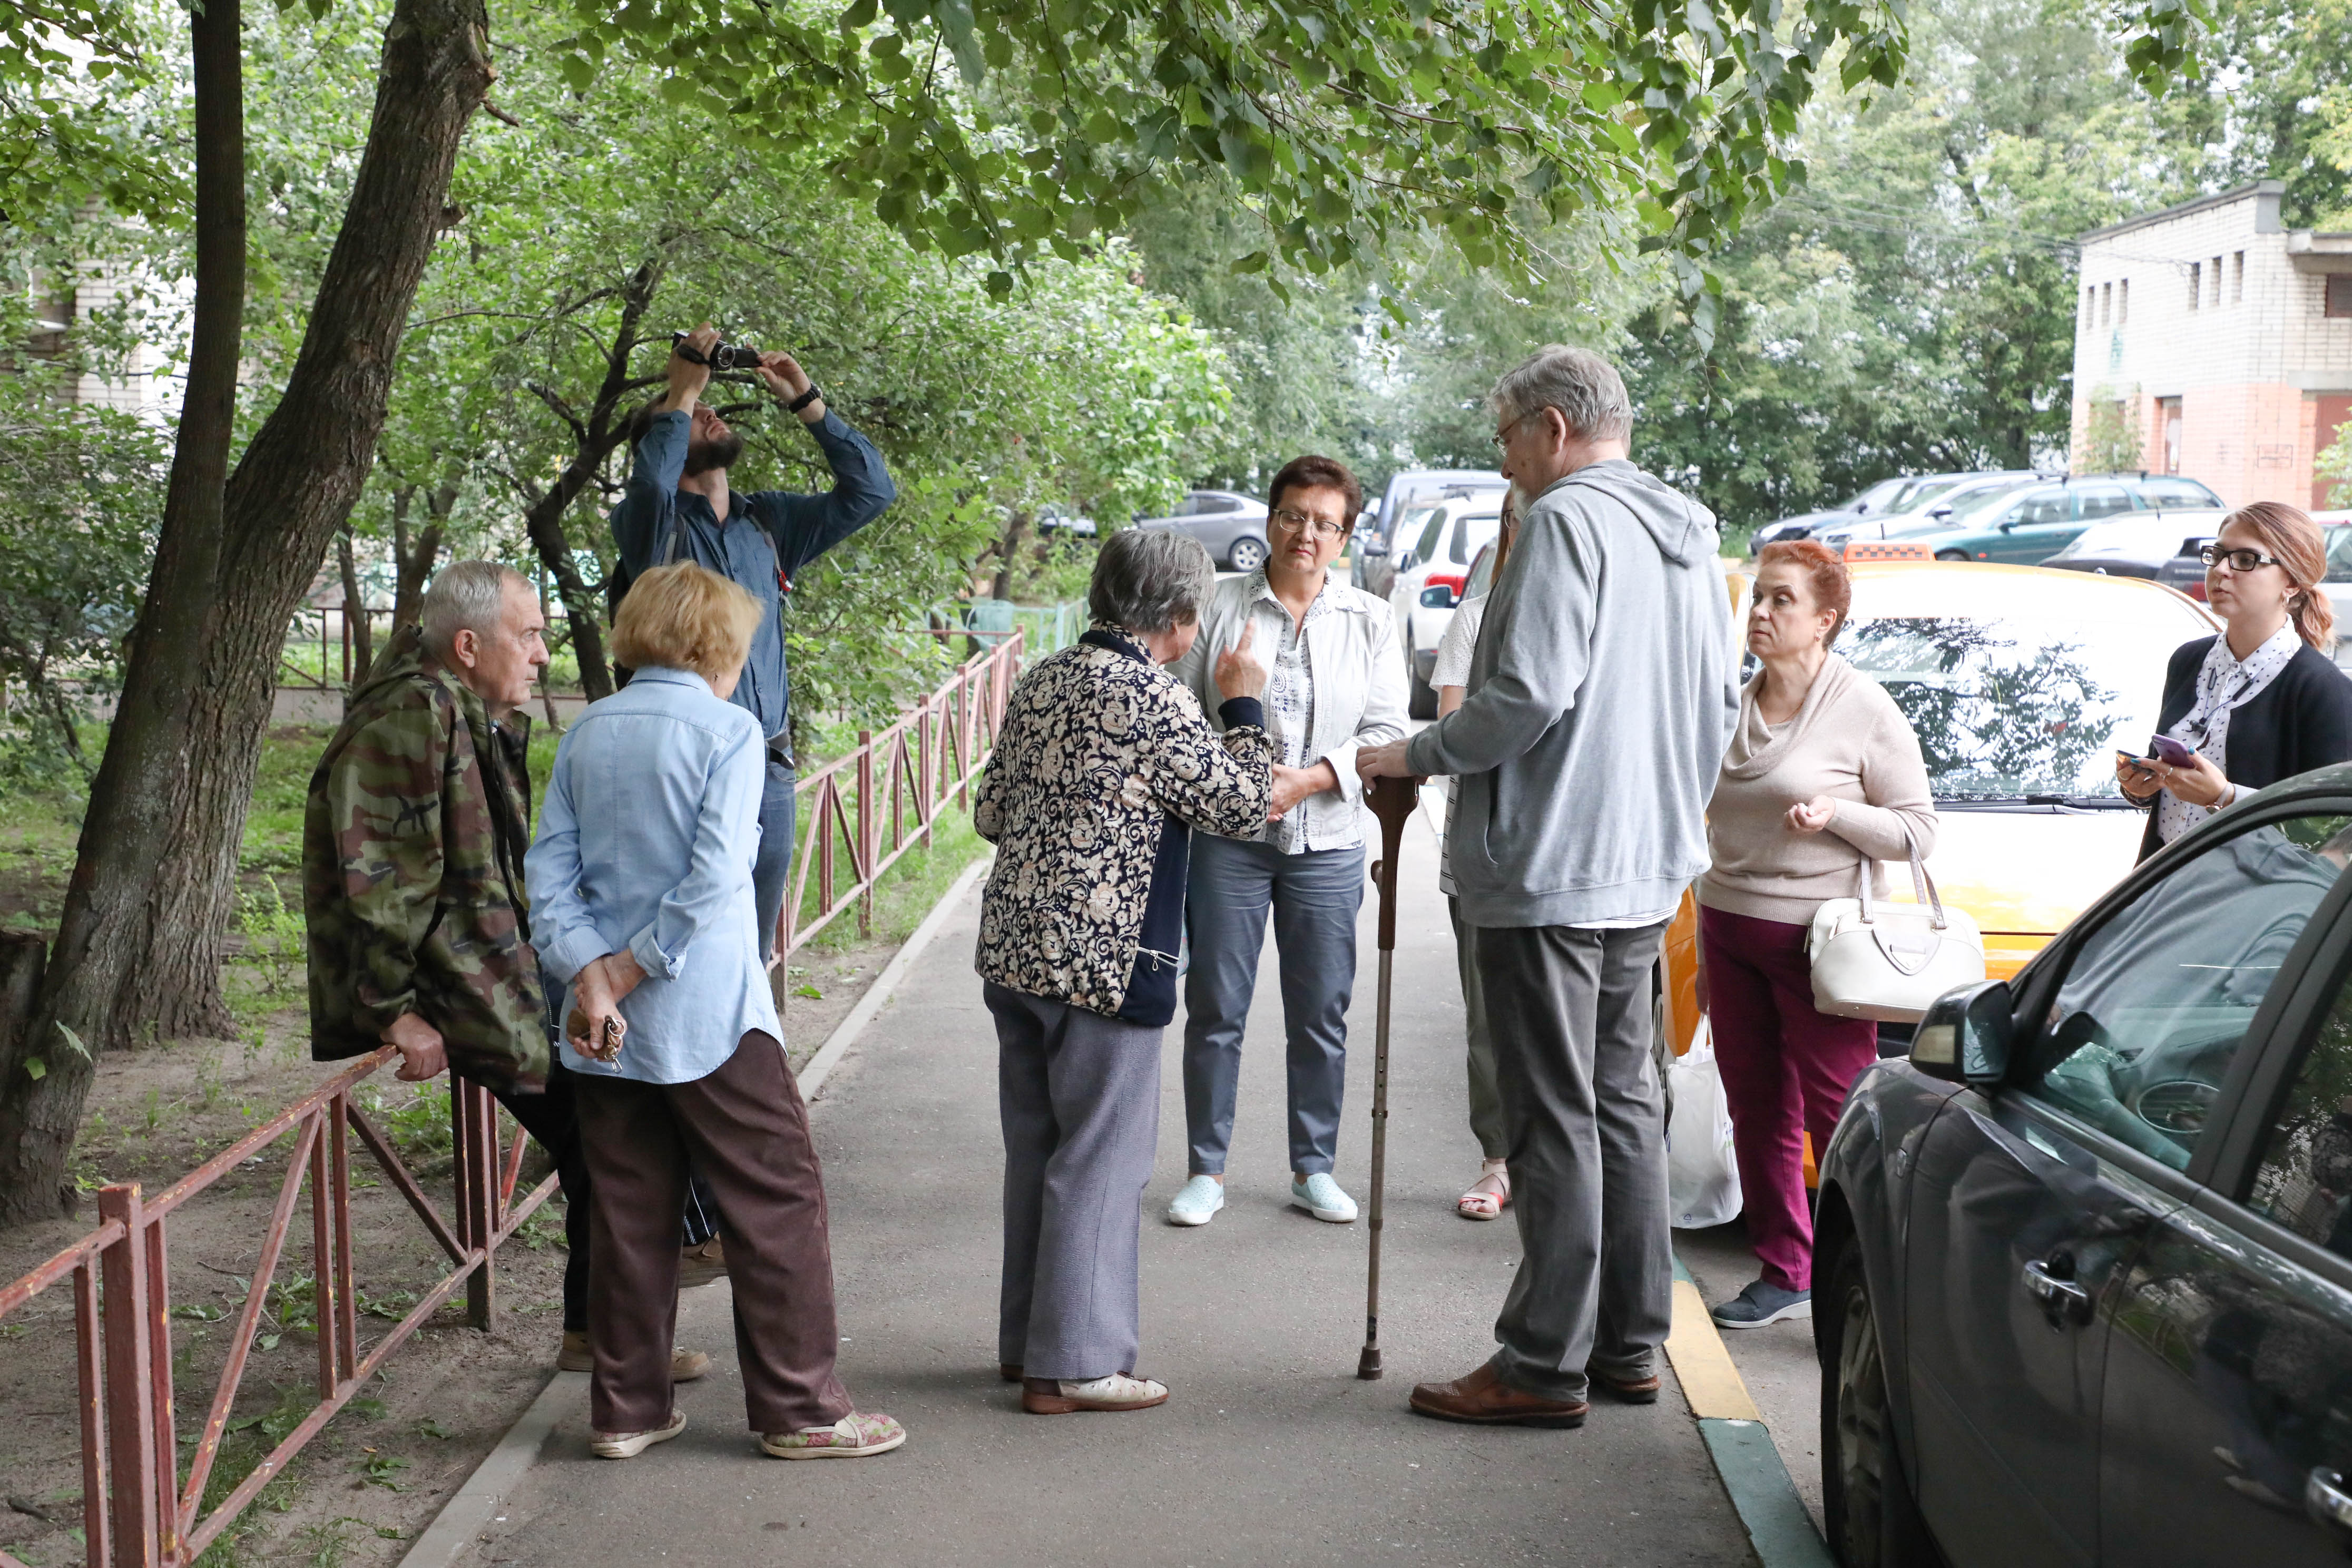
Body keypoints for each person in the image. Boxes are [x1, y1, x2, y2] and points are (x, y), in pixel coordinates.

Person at [1359, 345, 1738, 1427]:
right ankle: (1626, 1343)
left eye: (1507, 436)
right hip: (1643, 865)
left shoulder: (1566, 520)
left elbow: (1524, 696)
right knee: (1621, 1104)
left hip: (1551, 866)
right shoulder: (1686, 527)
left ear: (1554, 428)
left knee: (1551, 1115)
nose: (1503, 460)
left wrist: (1414, 752)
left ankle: (1540, 1362)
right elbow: (1719, 701)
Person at [527, 562, 903, 1462]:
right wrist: (629, 969)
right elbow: (715, 877)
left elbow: (547, 877)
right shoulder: (731, 732)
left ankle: (626, 1411)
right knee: (778, 1201)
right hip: (710, 1015)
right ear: (718, 646)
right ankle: (801, 1410)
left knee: (627, 1211)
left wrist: (591, 977)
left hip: (601, 1026)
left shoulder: (587, 731)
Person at [303, 562, 711, 1383]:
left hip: (490, 976)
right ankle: (640, 1307)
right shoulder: (410, 714)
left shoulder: (451, 707)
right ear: (467, 645)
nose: (542, 653)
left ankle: (608, 1325)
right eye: (528, 635)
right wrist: (393, 1011)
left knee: (606, 1129)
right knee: (607, 1132)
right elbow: (379, 878)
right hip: (461, 991)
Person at [973, 528, 1272, 1415]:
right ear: (1177, 617)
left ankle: (1028, 1345)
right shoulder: (1154, 695)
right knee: (1103, 1160)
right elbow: (1242, 804)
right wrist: (1244, 708)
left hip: (1015, 950)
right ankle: (1074, 1363)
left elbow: (991, 812)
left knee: (1037, 1153)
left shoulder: (1044, 678)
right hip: (1105, 964)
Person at [1694, 540, 1936, 1329]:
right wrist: (1704, 952)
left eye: (1782, 600)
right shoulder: (1729, 703)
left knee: (1841, 1118)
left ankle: (1871, 1280)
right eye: (1758, 597)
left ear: (1825, 620)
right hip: (1727, 926)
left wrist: (1838, 815)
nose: (1761, 613)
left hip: (1821, 946)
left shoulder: (1862, 707)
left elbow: (1917, 832)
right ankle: (1786, 1270)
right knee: (1755, 1109)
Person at [1161, 455, 1408, 1228]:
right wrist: (1234, 775)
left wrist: (1310, 780)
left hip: (1328, 840)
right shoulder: (1218, 602)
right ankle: (1206, 1170)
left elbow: (1388, 729)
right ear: (1271, 520)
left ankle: (1314, 1168)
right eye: (1294, 515)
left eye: (1325, 524)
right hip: (1227, 842)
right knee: (1215, 1008)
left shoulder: (1370, 618)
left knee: (1320, 1014)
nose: (1307, 533)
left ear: (1345, 538)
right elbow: (1175, 712)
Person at [611, 322, 897, 959]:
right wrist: (680, 392)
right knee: (689, 943)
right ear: (662, 443)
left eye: (705, 405)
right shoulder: (649, 528)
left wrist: (808, 403)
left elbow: (873, 492)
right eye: (691, 415)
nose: (707, 411)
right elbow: (651, 487)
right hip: (686, 769)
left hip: (769, 768)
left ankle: (755, 1026)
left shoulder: (767, 522)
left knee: (754, 950)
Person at [2121, 501, 2352, 856]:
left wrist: (2226, 797)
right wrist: (2141, 787)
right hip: (2167, 878)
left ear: (2291, 582)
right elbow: (2169, 789)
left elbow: (2331, 829)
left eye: (2245, 560)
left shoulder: (2323, 689)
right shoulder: (2188, 660)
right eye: (2217, 555)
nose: (2220, 570)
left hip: (2252, 888)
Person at [1430, 494, 1518, 1220]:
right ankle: (1498, 1159)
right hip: (1483, 844)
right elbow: (1452, 730)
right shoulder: (1477, 616)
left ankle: (1557, 1162)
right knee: (1488, 1015)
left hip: (1567, 854)